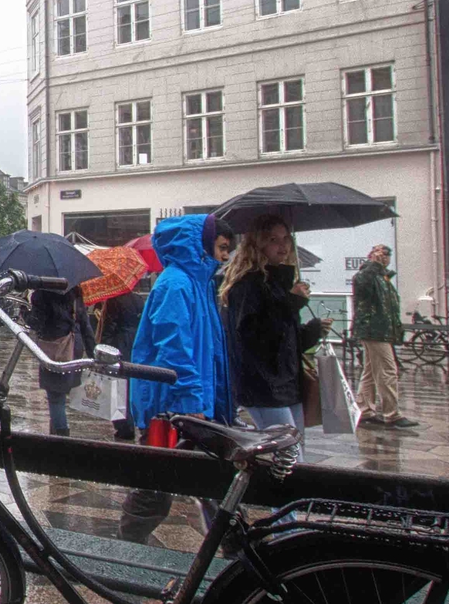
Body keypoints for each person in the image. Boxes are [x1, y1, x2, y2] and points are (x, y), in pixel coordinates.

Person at [117, 214, 234, 545]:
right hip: (169, 408)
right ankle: (125, 551)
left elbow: (206, 350)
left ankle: (228, 548)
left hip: (187, 404)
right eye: (222, 247)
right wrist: (191, 399)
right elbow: (175, 349)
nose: (225, 256)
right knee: (156, 487)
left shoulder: (198, 284)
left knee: (205, 482)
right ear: (201, 245)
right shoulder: (177, 284)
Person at [221, 215, 320, 434]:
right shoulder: (248, 284)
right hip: (264, 386)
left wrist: (313, 331)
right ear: (258, 243)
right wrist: (292, 303)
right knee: (286, 453)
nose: (282, 245)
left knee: (294, 449)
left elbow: (285, 340)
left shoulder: (280, 282)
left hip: (288, 383)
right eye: (273, 239)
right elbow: (254, 338)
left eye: (286, 238)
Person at [350, 244, 416, 430]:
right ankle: (391, 414)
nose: (384, 257)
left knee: (371, 371)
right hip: (373, 330)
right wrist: (373, 265)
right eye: (380, 254)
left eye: (387, 255)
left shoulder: (383, 277)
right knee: (388, 369)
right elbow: (362, 286)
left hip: (380, 330)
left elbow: (390, 308)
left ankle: (365, 410)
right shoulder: (367, 275)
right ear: (370, 255)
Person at [29, 281, 94, 434]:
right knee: (61, 393)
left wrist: (24, 312)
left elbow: (37, 323)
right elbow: (85, 323)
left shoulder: (41, 293)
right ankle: (55, 432)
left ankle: (61, 435)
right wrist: (93, 352)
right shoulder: (74, 290)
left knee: (55, 396)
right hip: (75, 345)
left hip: (55, 348)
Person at [97, 287, 144, 441]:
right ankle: (132, 421)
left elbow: (108, 329)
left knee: (116, 389)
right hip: (134, 344)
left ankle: (124, 427)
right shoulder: (138, 299)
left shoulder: (113, 300)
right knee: (130, 386)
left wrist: (103, 349)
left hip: (119, 345)